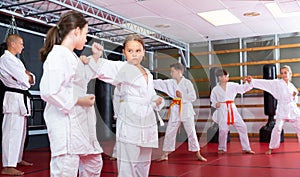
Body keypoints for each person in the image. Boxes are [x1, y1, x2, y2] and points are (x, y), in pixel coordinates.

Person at [85, 34, 164, 177]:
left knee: (144, 164)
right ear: (124, 52)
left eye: (138, 51)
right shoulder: (121, 68)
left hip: (148, 123)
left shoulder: (148, 74)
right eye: (130, 51)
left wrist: (158, 100)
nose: (134, 54)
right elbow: (101, 67)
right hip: (130, 123)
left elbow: (151, 94)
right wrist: (95, 56)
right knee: (127, 166)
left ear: (144, 52)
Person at [39, 11, 103, 176]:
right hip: (66, 122)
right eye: (85, 33)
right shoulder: (58, 55)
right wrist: (79, 100)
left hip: (80, 121)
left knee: (93, 163)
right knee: (66, 169)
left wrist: (95, 58)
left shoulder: (71, 56)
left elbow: (81, 80)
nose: (86, 38)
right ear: (76, 31)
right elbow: (49, 91)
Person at [153, 63, 207, 161]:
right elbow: (159, 83)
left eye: (172, 71)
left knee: (191, 132)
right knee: (170, 132)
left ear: (179, 72)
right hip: (175, 109)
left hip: (186, 109)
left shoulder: (187, 83)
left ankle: (198, 153)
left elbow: (193, 97)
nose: (171, 73)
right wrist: (146, 79)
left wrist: (182, 96)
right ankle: (165, 154)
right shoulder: (170, 82)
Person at [0, 34, 35, 176]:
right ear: (12, 44)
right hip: (13, 98)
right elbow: (24, 78)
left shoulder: (15, 60)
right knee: (11, 132)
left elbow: (30, 79)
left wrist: (27, 76)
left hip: (21, 98)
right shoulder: (5, 59)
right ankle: (8, 165)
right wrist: (26, 76)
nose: (23, 46)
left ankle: (17, 158)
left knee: (21, 132)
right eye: (21, 43)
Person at [247, 65, 300, 155]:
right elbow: (265, 83)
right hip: (282, 109)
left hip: (292, 110)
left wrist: (294, 96)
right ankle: (271, 148)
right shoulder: (277, 83)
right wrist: (253, 81)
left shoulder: (292, 86)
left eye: (285, 73)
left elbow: (295, 100)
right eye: (282, 73)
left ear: (290, 74)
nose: (283, 75)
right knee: (277, 128)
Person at [210, 68, 254, 154]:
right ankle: (221, 148)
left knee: (242, 127)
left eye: (227, 76)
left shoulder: (232, 85)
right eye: (224, 76)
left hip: (232, 108)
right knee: (223, 130)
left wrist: (248, 83)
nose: (226, 77)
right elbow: (213, 100)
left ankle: (246, 148)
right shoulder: (215, 89)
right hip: (222, 109)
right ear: (219, 77)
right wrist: (216, 104)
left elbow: (243, 89)